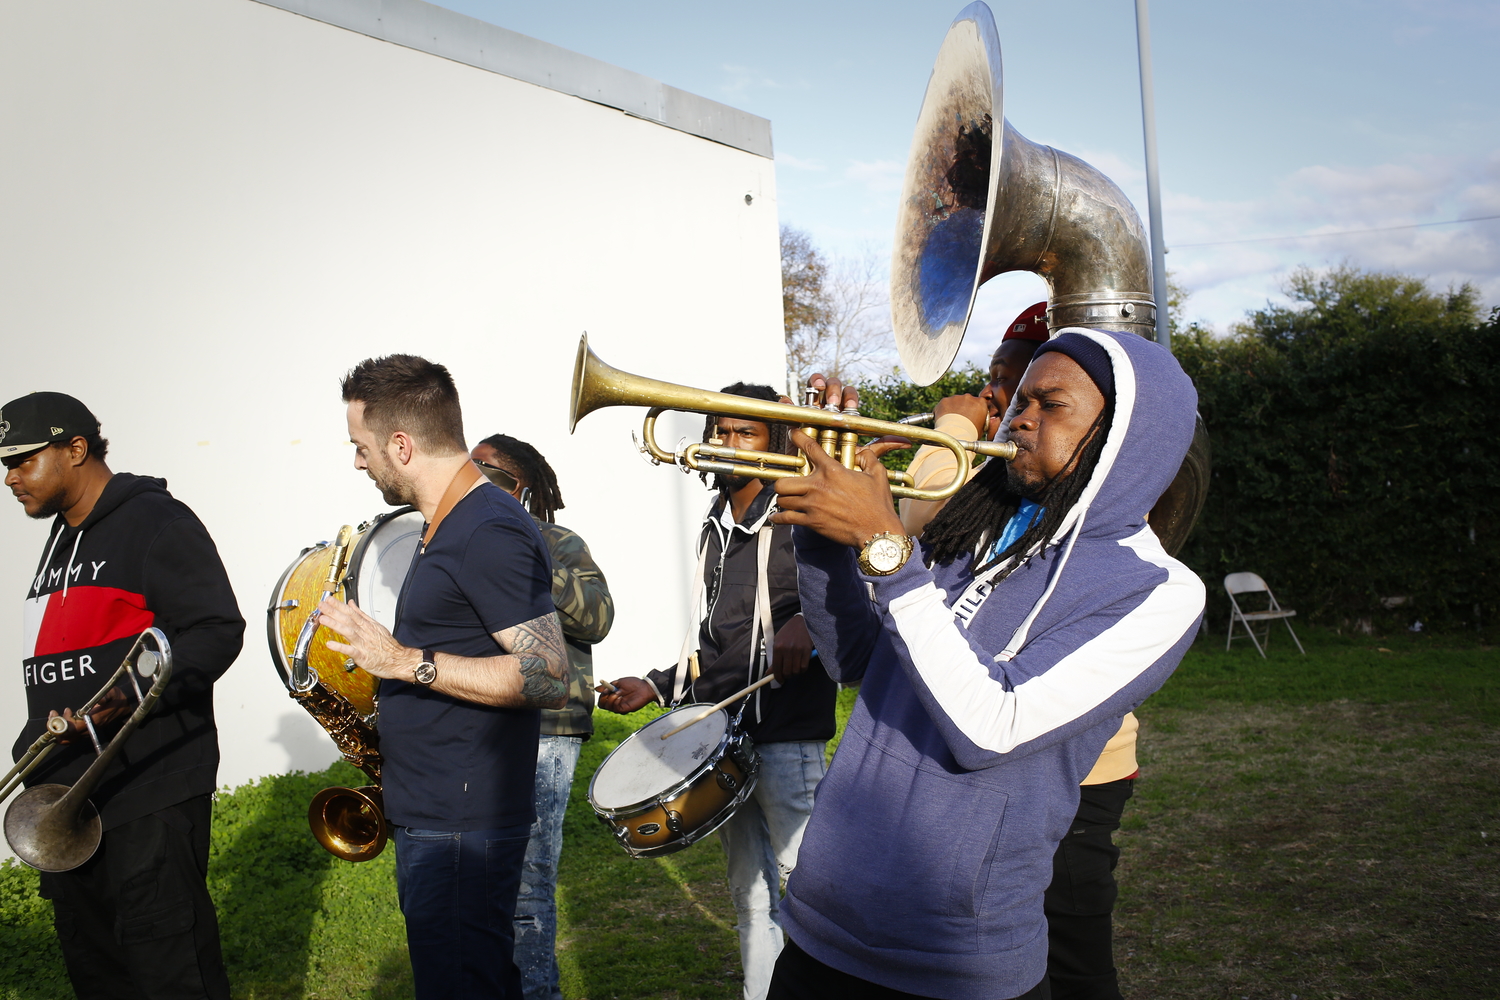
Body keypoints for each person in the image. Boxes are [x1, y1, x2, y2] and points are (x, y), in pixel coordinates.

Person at [767, 329, 1205, 1000]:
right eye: (1018, 400)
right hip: (822, 926)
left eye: (1049, 404)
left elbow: (992, 725)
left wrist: (885, 545)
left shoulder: (1160, 592)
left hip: (954, 961)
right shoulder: (970, 522)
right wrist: (823, 539)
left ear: (1127, 433)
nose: (1018, 417)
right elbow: (857, 661)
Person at [899, 304, 1143, 999]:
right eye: (999, 385)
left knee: (1071, 950)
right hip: (984, 757)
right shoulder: (997, 485)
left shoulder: (1097, 492)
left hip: (1080, 765)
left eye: (1021, 388)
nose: (997, 404)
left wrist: (952, 427)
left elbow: (911, 519)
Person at [316, 355, 570, 1000]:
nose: (358, 462)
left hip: (462, 824)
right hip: (438, 810)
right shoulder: (446, 525)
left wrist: (405, 662)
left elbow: (545, 676)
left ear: (400, 445)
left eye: (361, 446)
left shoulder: (488, 529)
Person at [598, 383, 837, 1000]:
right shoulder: (713, 529)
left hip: (788, 733)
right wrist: (652, 685)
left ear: (775, 443)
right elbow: (713, 637)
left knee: (811, 892)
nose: (728, 444)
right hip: (722, 739)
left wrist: (810, 622)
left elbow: (864, 581)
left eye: (746, 432)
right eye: (720, 431)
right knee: (751, 897)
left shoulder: (801, 511)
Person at [2, 391, 243, 1000]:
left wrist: (117, 708)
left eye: (23, 460)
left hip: (145, 796)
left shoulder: (156, 521)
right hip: (67, 800)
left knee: (171, 976)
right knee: (100, 976)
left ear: (75, 448)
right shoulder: (62, 536)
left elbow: (216, 630)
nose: (10, 478)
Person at [470, 433, 614, 1000]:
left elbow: (597, 617)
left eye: (484, 467)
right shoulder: (456, 540)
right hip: (479, 726)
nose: (469, 473)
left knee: (528, 884)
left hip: (546, 728)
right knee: (478, 881)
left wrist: (529, 554)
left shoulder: (555, 540)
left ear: (519, 485)